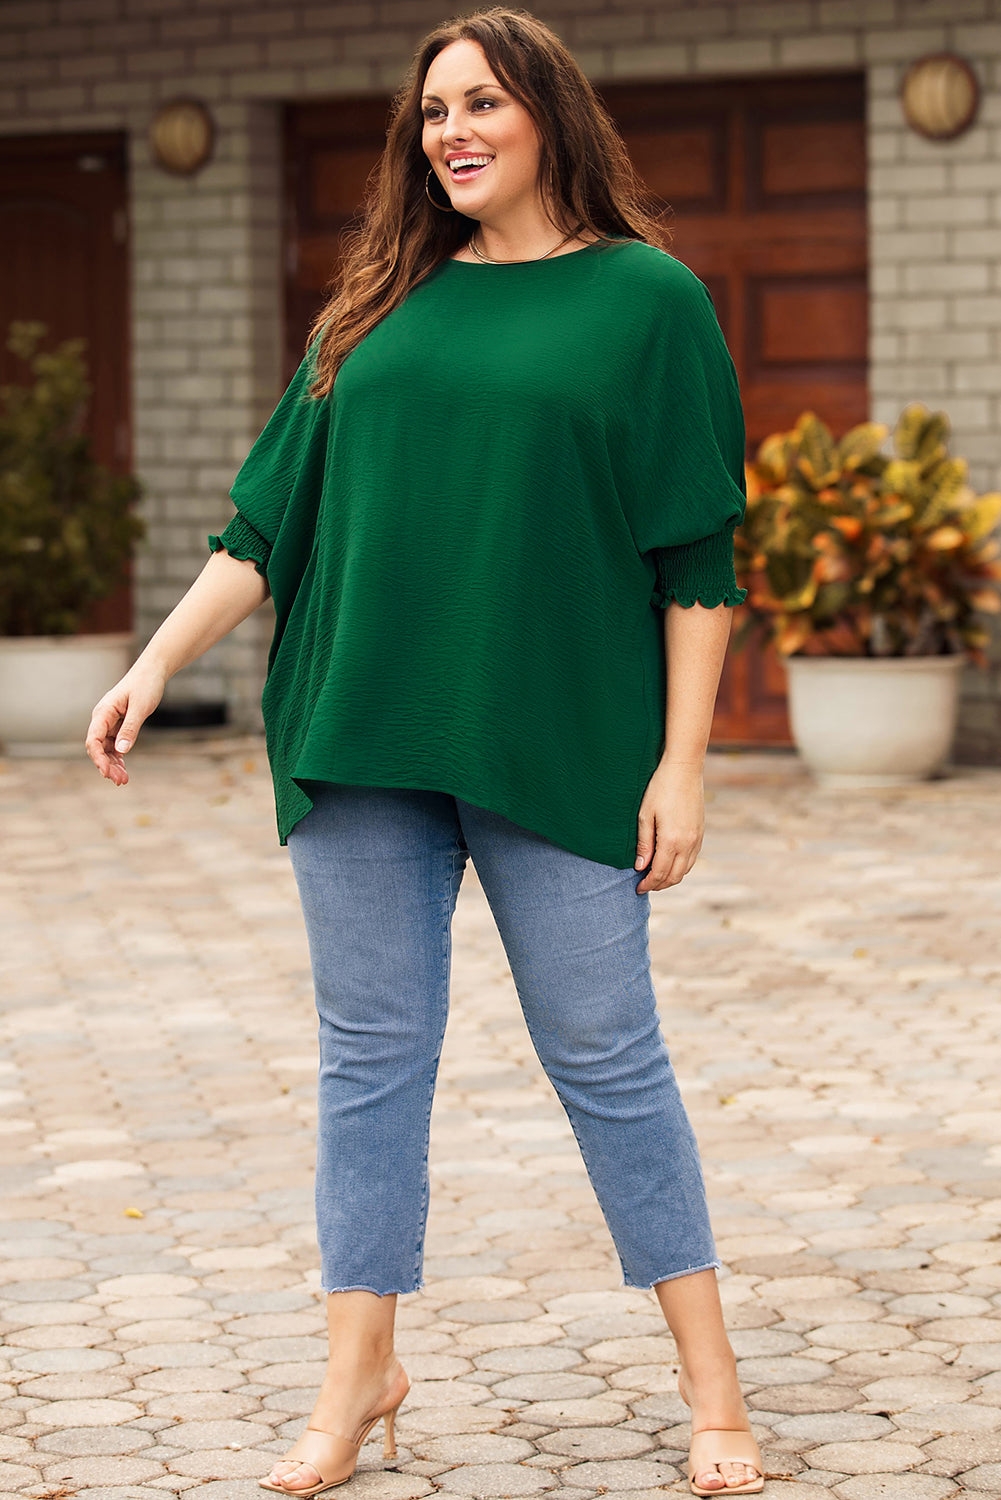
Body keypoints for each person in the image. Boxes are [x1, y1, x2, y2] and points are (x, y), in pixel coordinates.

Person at [85, 8, 765, 1496]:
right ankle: (357, 1377)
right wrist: (153, 664)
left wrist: (684, 761)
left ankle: (712, 1388)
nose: (451, 130)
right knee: (369, 1062)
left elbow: (697, 558)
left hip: (559, 740)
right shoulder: (377, 306)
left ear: (549, 116)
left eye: (482, 102)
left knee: (606, 1053)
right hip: (362, 728)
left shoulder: (646, 300)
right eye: (434, 109)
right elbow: (263, 528)